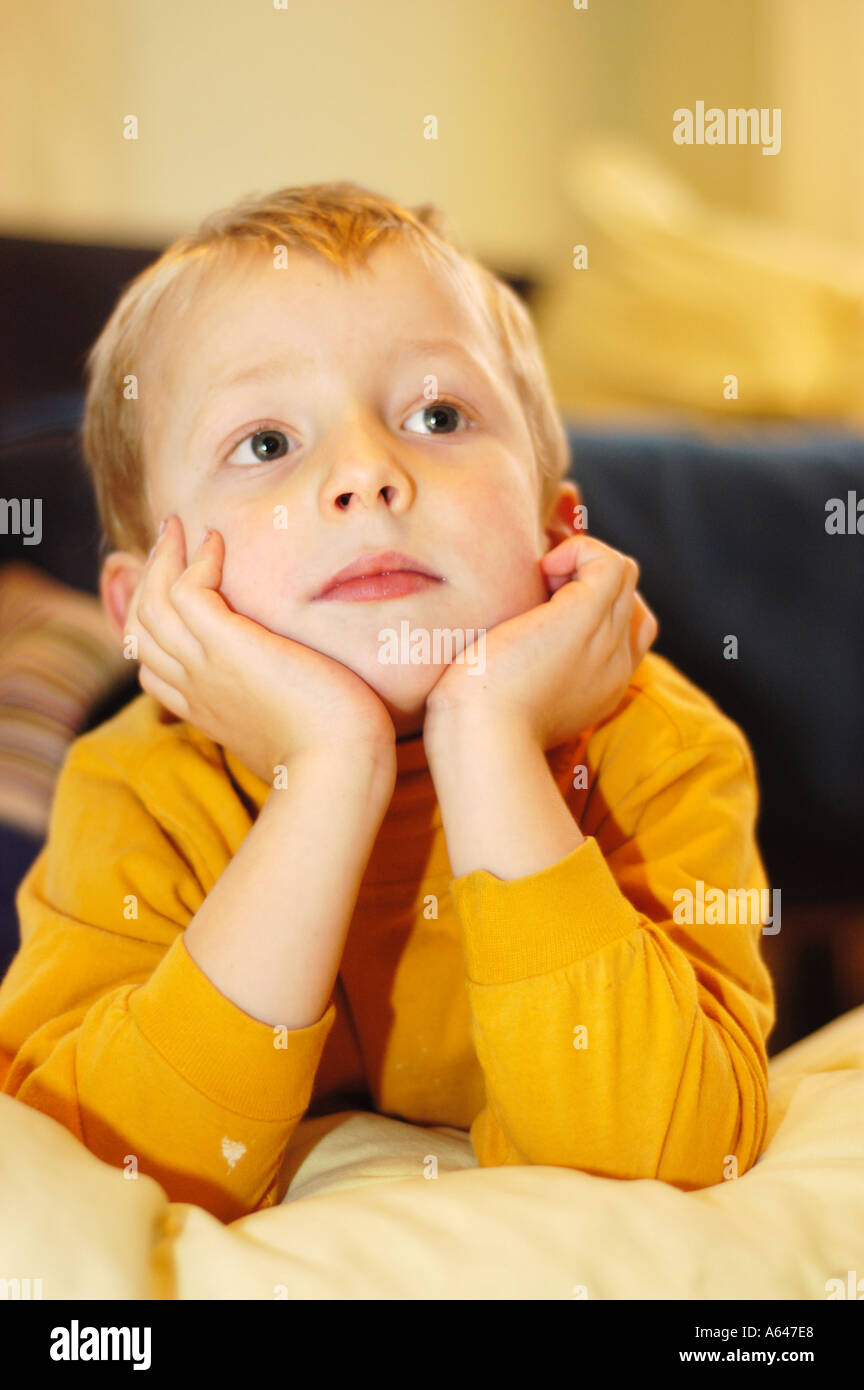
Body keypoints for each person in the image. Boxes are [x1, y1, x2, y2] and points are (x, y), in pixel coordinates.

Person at [0, 182, 775, 1223]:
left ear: (558, 532)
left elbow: (672, 1151)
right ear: (147, 611)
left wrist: (492, 738)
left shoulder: (659, 751)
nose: (367, 470)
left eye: (438, 415)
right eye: (267, 443)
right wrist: (331, 771)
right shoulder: (132, 790)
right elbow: (108, 1168)